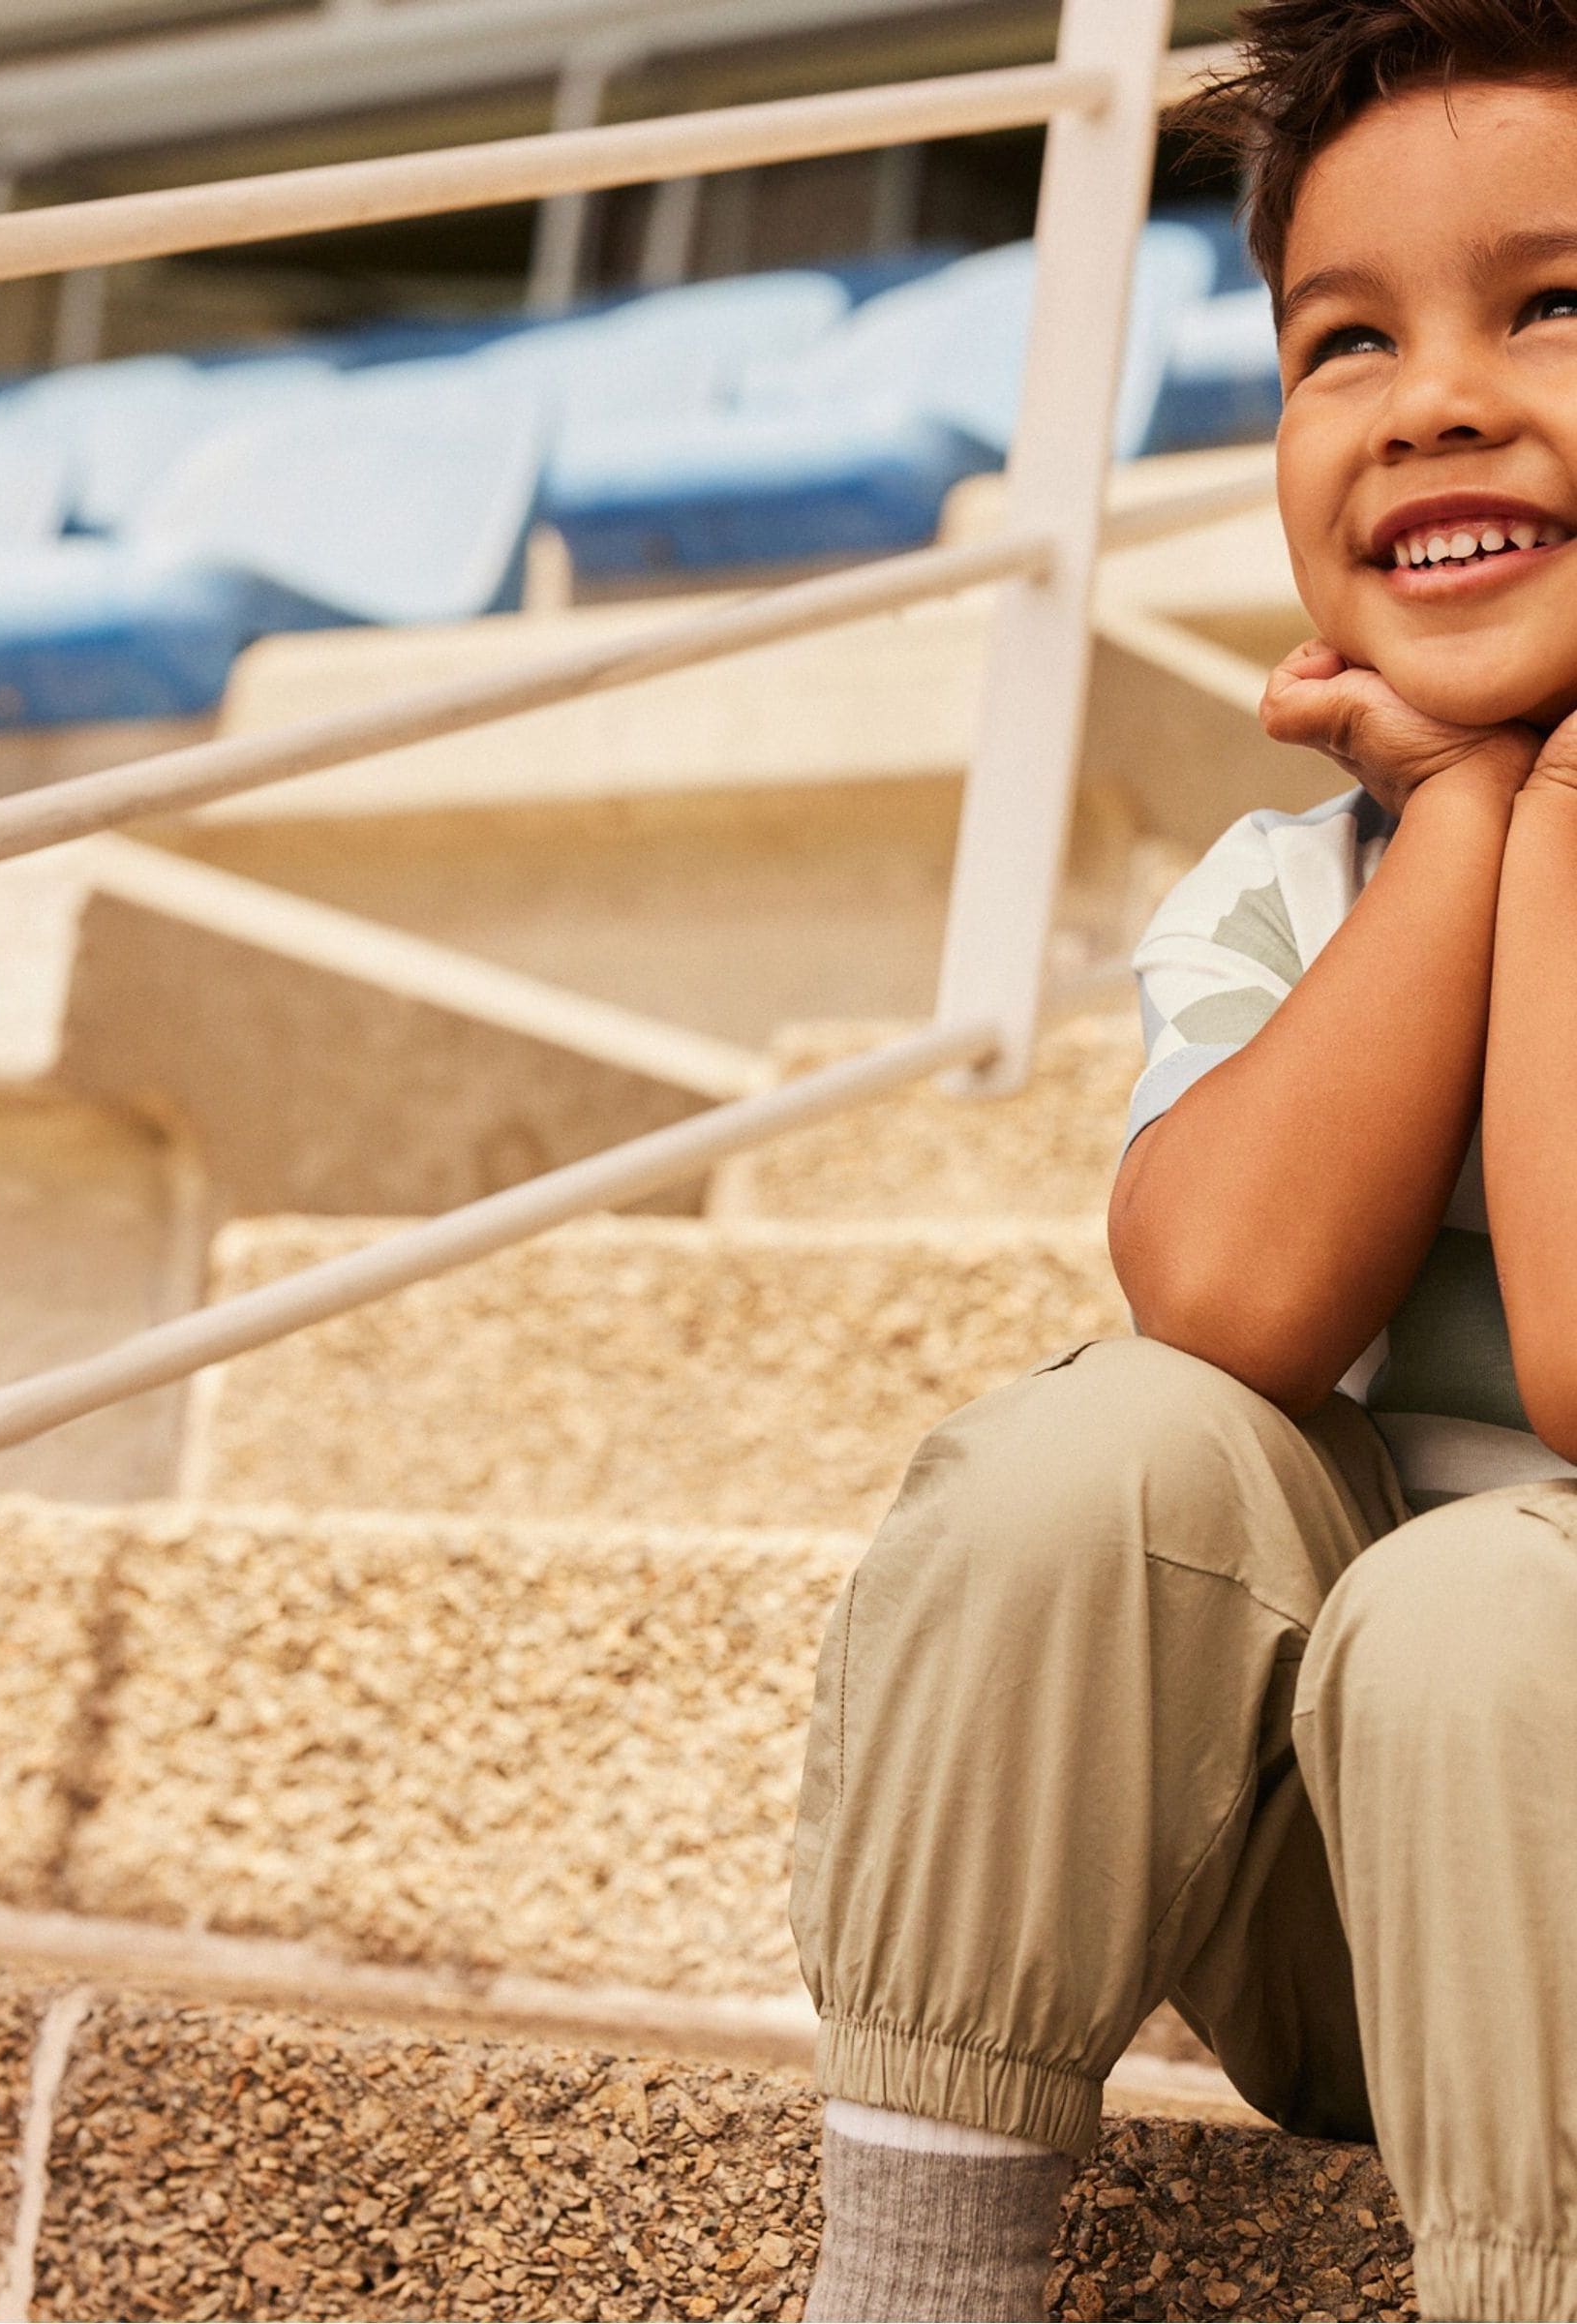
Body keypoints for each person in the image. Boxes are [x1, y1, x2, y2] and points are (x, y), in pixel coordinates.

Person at [791, 5, 1577, 2318]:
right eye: (1350, 340)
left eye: (1557, 302)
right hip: (1360, 1936)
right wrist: (1455, 817)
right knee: (1099, 1452)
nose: (1437, 392)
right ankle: (916, 2275)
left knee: (1475, 1610)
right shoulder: (1286, 886)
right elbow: (1229, 1303)